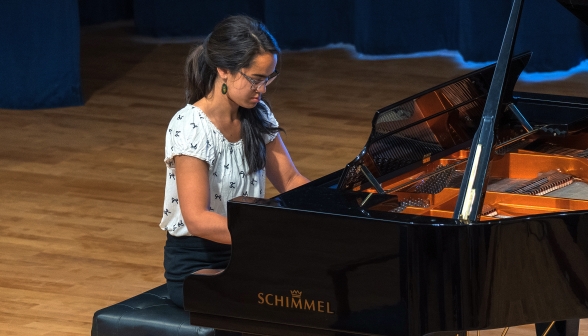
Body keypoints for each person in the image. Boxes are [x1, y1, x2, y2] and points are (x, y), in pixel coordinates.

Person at [159, 15, 309, 308]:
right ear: (224, 70)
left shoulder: (258, 114)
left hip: (248, 250)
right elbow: (198, 218)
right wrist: (264, 239)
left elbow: (290, 181)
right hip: (197, 264)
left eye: (269, 78)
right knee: (277, 300)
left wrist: (330, 210)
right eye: (255, 79)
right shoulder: (190, 126)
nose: (262, 89)